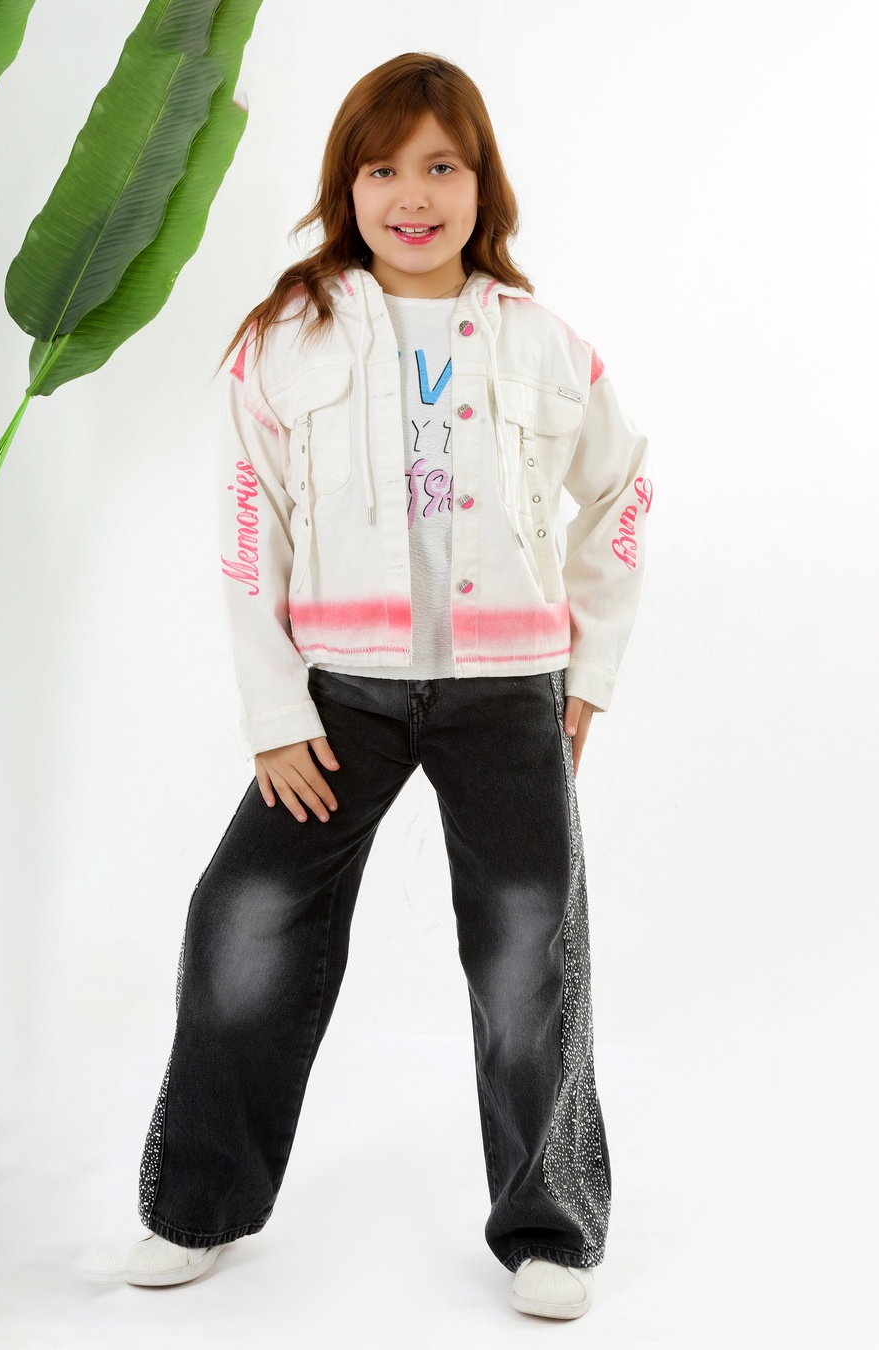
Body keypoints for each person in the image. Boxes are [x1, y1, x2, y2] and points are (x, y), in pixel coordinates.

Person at [121, 51, 652, 1322]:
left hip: (507, 694)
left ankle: (550, 1228)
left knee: (529, 950)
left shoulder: (543, 343)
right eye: (382, 170)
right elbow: (248, 533)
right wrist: (273, 713)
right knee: (242, 919)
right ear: (346, 188)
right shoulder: (283, 341)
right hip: (337, 703)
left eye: (441, 167)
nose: (412, 196)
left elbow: (623, 489)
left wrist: (587, 673)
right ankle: (198, 1203)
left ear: (483, 184)